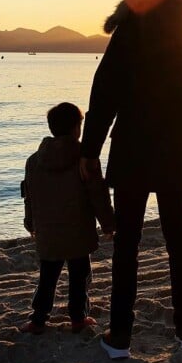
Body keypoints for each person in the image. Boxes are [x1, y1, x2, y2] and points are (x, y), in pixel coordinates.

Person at [80, 0, 182, 359]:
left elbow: (103, 95)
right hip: (176, 148)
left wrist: (89, 150)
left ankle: (121, 337)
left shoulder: (128, 32)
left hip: (132, 149)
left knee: (128, 242)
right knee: (178, 239)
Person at [20, 102, 114, 335]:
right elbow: (97, 194)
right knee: (79, 277)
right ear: (76, 127)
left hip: (48, 232)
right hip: (78, 231)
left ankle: (38, 319)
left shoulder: (34, 161)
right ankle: (78, 318)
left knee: (47, 277)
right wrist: (108, 223)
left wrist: (30, 222)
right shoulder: (85, 159)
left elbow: (29, 195)